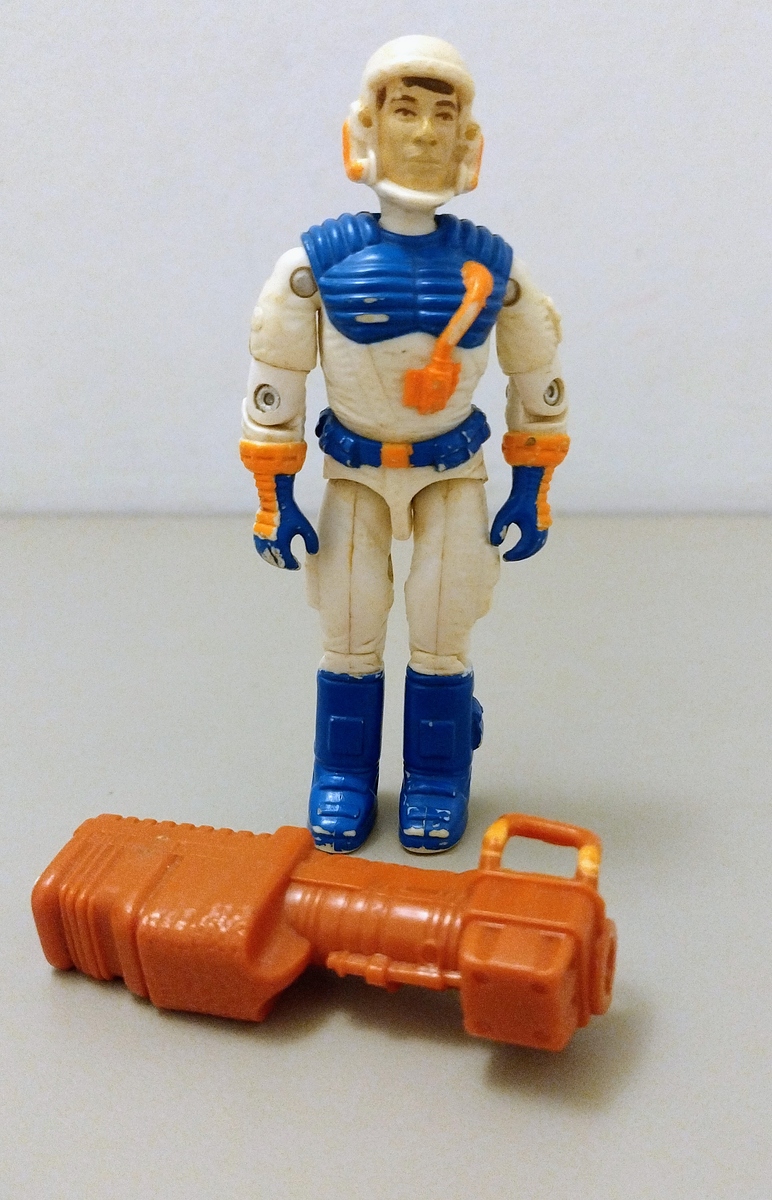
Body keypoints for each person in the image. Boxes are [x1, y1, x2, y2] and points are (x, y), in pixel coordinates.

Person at [240, 36, 568, 853]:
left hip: (452, 471)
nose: (423, 134)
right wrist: (274, 499)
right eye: (406, 111)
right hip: (353, 471)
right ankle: (343, 774)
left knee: (443, 623)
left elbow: (538, 384)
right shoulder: (313, 268)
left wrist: (532, 489)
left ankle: (437, 774)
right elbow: (276, 387)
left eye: (441, 117)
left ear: (467, 140)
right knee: (349, 626)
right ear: (367, 129)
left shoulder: (497, 271)